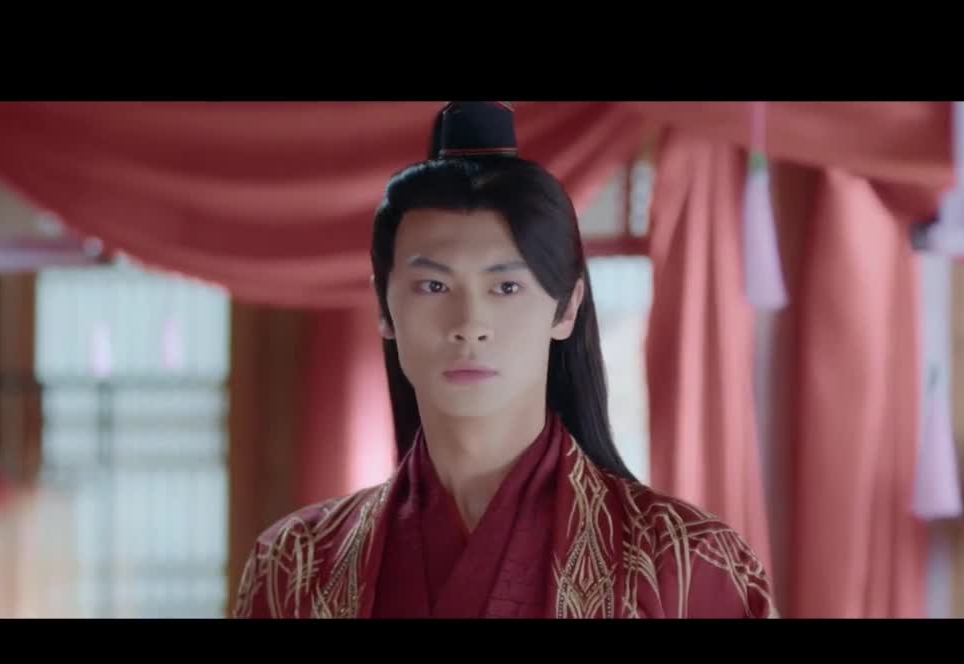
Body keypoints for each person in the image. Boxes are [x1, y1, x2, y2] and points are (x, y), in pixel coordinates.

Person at [232, 101, 777, 619]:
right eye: (433, 285)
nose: (469, 322)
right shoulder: (297, 564)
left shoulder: (686, 564)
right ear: (384, 308)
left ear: (567, 308)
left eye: (506, 287)